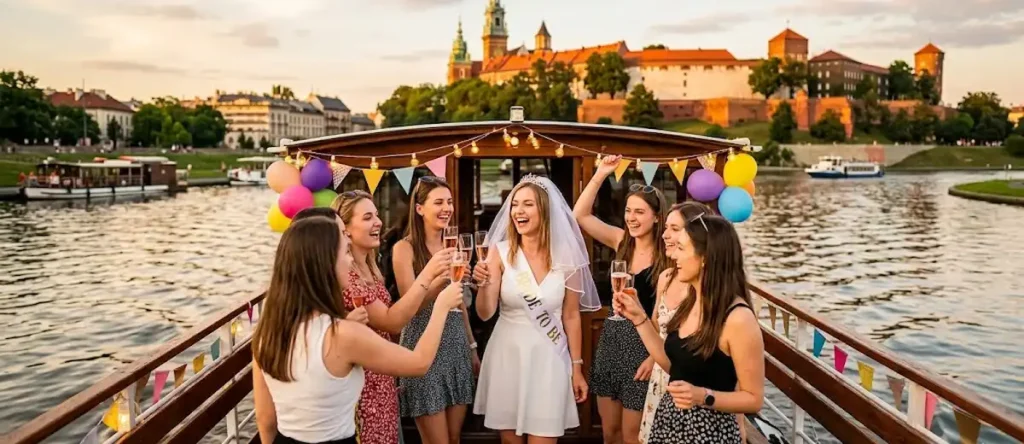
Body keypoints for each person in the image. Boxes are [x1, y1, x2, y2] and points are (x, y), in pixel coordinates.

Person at [251, 214, 464, 444]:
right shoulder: (343, 335)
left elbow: (266, 420)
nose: (350, 261)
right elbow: (419, 363)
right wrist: (441, 307)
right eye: (344, 252)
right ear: (326, 265)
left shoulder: (267, 334)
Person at [472, 174, 601, 443]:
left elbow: (571, 315)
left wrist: (577, 368)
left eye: (528, 204)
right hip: (508, 355)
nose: (519, 211)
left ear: (545, 209)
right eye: (515, 204)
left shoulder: (568, 258)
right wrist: (483, 284)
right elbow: (485, 313)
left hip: (550, 359)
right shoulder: (500, 252)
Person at [614, 213, 764, 444]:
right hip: (669, 422)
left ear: (705, 257)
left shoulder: (738, 318)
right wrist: (639, 318)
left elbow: (753, 399)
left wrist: (703, 396)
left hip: (708, 432)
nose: (673, 255)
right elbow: (674, 365)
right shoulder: (692, 300)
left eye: (682, 249)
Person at [332, 191, 456, 444]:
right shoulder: (349, 278)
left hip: (383, 380)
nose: (378, 222)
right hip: (364, 388)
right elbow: (391, 321)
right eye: (368, 217)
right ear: (345, 229)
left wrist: (440, 283)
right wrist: (428, 275)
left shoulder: (370, 266)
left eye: (377, 215)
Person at [572, 154, 671, 444]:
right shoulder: (620, 241)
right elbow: (580, 215)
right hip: (611, 341)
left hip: (645, 348)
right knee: (610, 433)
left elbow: (674, 313)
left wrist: (655, 357)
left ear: (656, 217)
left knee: (633, 436)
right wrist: (601, 173)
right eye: (628, 211)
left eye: (640, 212)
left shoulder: (669, 256)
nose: (632, 218)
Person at [391, 176, 478, 444]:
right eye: (438, 202)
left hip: (456, 343)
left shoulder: (456, 246)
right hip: (422, 346)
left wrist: (472, 346)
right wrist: (441, 277)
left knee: (453, 438)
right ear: (419, 209)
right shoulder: (403, 249)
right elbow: (410, 305)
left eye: (449, 202)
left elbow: (458, 301)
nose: (446, 208)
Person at [637, 202, 713, 444]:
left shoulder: (708, 290)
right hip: (661, 372)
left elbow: (729, 364)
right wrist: (636, 314)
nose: (665, 235)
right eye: (666, 228)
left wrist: (740, 423)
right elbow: (657, 325)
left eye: (674, 229)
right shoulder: (667, 277)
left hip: (690, 387)